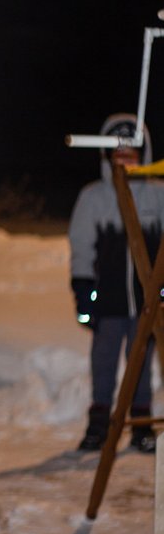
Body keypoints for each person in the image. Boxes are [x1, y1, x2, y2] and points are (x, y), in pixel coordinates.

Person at [69, 113, 164, 454]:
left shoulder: (157, 196)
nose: (124, 162)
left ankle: (141, 423)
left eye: (131, 155)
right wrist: (84, 293)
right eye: (117, 156)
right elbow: (81, 247)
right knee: (104, 360)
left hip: (146, 301)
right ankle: (99, 424)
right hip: (107, 301)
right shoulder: (94, 198)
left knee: (141, 361)